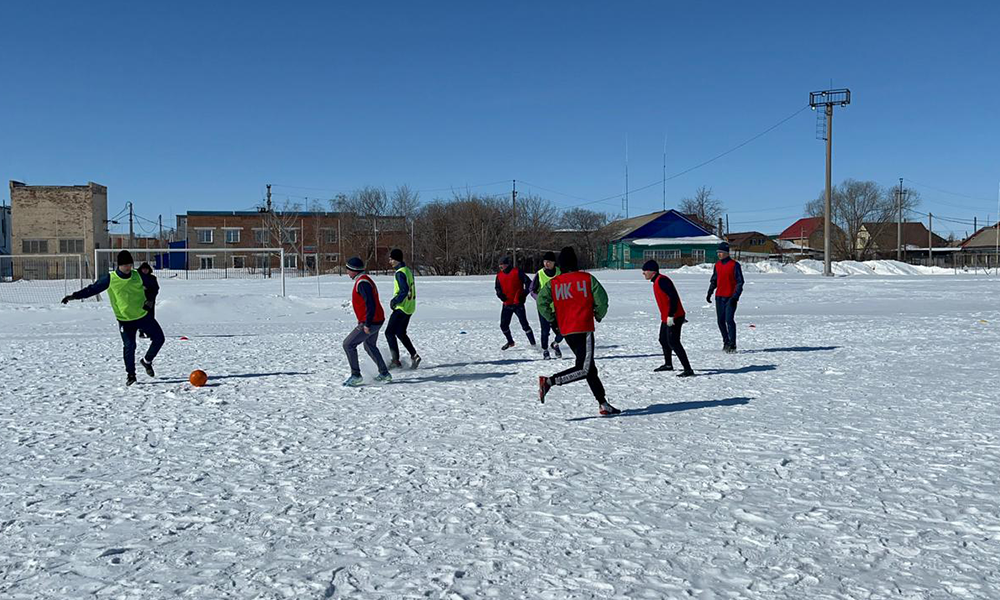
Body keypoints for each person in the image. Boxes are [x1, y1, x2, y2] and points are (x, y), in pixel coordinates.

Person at [60, 250, 165, 386]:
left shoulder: (138, 275)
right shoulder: (110, 278)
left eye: (130, 265)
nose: (128, 268)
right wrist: (73, 296)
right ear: (119, 265)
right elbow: (92, 290)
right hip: (125, 319)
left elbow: (154, 287)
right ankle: (131, 375)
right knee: (129, 346)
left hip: (142, 316)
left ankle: (147, 361)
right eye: (125, 265)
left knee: (159, 338)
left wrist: (150, 299)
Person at [537, 247, 620, 416]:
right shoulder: (587, 278)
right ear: (575, 263)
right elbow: (602, 301)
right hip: (583, 328)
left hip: (566, 331)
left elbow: (541, 302)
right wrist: (598, 314)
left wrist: (553, 319)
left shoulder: (554, 283)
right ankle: (549, 381)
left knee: (590, 367)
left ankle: (603, 403)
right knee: (584, 368)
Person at [343, 257, 392, 387]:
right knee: (369, 345)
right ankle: (384, 373)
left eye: (348, 269)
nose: (347, 271)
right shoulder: (363, 280)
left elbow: (370, 304)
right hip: (376, 319)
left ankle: (356, 375)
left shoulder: (363, 282)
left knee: (348, 344)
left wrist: (367, 324)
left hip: (371, 321)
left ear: (354, 270)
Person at [642, 260, 694, 377]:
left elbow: (673, 297)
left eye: (645, 270)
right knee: (663, 339)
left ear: (652, 271)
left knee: (674, 342)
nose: (643, 273)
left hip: (674, 316)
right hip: (667, 317)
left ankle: (688, 369)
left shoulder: (662, 281)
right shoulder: (657, 281)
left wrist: (671, 315)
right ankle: (668, 364)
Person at [385, 249, 421, 370]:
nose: (390, 261)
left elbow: (404, 291)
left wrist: (394, 301)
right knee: (400, 333)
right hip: (410, 307)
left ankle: (395, 361)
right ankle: (414, 355)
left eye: (391, 259)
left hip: (401, 307)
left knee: (389, 332)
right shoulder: (408, 270)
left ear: (396, 259)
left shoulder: (400, 273)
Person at [706, 242, 745, 353]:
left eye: (721, 252)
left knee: (729, 320)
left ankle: (732, 344)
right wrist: (710, 291)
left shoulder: (734, 265)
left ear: (727, 253)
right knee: (720, 321)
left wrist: (735, 297)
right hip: (719, 297)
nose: (719, 254)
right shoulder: (717, 265)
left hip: (730, 298)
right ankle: (726, 342)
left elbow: (740, 282)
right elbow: (714, 280)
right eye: (718, 252)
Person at [494, 255, 536, 350]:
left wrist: (524, 294)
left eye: (502, 265)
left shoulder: (517, 272)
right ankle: (510, 342)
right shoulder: (499, 275)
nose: (500, 267)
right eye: (499, 265)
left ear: (507, 264)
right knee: (503, 325)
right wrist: (500, 295)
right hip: (507, 304)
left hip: (518, 303)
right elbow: (497, 288)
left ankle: (533, 344)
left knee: (524, 325)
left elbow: (529, 283)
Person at [530, 251, 563, 359]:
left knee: (562, 331)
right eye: (545, 261)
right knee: (545, 331)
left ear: (554, 262)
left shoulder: (560, 272)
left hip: (558, 307)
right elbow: (532, 290)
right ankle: (545, 350)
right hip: (544, 308)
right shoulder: (540, 274)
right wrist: (539, 299)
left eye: (549, 262)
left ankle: (555, 344)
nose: (546, 264)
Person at [137, 262, 157, 339]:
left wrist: (151, 297)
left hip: (150, 300)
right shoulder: (137, 278)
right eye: (143, 269)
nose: (145, 270)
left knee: (150, 316)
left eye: (146, 269)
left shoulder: (152, 278)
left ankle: (149, 332)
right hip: (139, 300)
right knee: (141, 316)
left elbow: (156, 288)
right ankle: (141, 331)